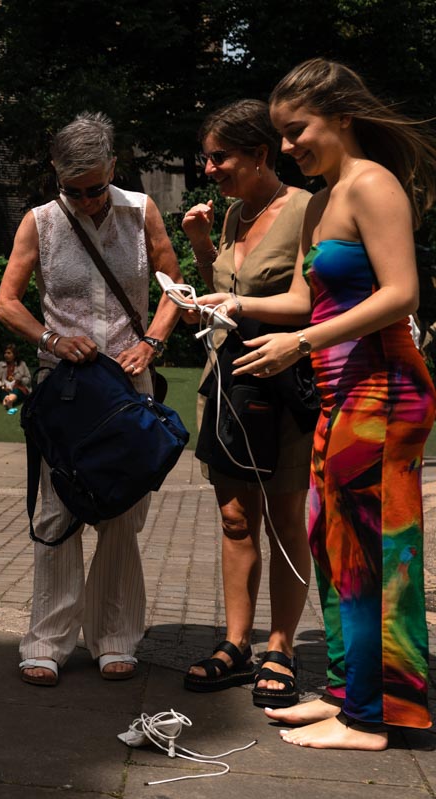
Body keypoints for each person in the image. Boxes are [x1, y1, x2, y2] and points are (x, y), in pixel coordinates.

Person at [198, 58, 436, 750]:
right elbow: (309, 297)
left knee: (371, 551)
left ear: (342, 117)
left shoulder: (372, 185)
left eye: (297, 132)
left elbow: (400, 294)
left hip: (383, 389)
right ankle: (345, 692)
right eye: (283, 136)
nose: (291, 147)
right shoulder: (325, 197)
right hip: (339, 391)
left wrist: (298, 343)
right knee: (332, 546)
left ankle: (376, 716)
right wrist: (237, 302)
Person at [0, 112, 182, 686]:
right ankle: (48, 639)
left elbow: (175, 288)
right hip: (69, 390)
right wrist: (50, 338)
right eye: (72, 190)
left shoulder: (141, 211)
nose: (85, 200)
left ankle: (115, 637)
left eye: (95, 188)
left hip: (128, 385)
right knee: (59, 510)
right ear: (56, 174)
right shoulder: (41, 222)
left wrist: (152, 341)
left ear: (113, 169)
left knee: (121, 512)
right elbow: (7, 302)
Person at [179, 100, 313, 707]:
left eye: (220, 156)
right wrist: (203, 247)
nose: (209, 167)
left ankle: (280, 646)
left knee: (285, 521)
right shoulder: (233, 213)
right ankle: (236, 644)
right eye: (208, 156)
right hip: (226, 385)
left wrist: (238, 307)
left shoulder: (307, 212)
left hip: (281, 388)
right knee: (235, 518)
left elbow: (311, 304)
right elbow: (227, 287)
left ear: (260, 155)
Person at [0, 343, 32, 414]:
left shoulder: (22, 364)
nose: (6, 355)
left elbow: (28, 378)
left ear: (14, 354)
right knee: (1, 392)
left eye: (9, 353)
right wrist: (2, 386)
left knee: (17, 390)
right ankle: (8, 401)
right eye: (5, 353)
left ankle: (9, 400)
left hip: (18, 387)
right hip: (3, 388)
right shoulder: (0, 365)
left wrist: (20, 380)